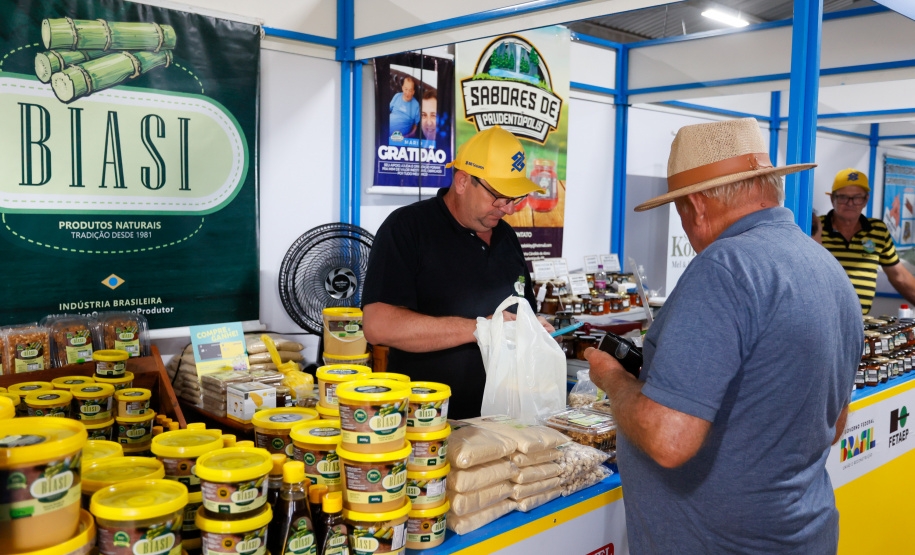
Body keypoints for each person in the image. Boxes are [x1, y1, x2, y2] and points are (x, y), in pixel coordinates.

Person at [586, 118, 862, 553]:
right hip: (803, 534)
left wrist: (614, 380)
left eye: (680, 212)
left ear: (696, 205)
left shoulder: (724, 268)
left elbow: (669, 440)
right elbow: (833, 424)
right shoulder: (828, 268)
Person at [362, 125, 552, 419]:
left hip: (503, 421)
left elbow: (519, 315)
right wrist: (482, 328)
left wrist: (534, 331)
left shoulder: (507, 237)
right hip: (429, 421)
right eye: (500, 197)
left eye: (515, 198)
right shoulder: (408, 228)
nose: (509, 210)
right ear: (463, 182)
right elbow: (379, 326)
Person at [820, 168, 915, 314]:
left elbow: (899, 277)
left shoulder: (878, 230)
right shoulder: (815, 228)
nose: (850, 203)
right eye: (843, 197)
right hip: (822, 317)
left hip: (860, 320)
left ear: (866, 200)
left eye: (857, 197)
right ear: (832, 199)